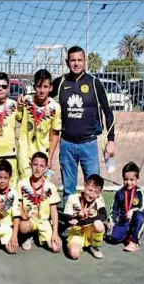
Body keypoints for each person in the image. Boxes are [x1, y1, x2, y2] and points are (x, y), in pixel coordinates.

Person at [47, 46, 115, 205]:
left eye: (79, 60)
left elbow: (108, 112)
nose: (76, 63)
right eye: (73, 60)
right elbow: (42, 96)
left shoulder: (94, 83)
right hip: (67, 145)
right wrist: (25, 98)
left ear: (85, 62)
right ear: (67, 62)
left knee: (93, 187)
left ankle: (95, 222)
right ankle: (70, 223)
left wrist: (111, 140)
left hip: (89, 144)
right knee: (68, 190)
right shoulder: (61, 82)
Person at [17, 69, 61, 181]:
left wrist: (50, 158)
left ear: (51, 88)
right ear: (33, 87)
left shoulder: (55, 107)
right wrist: (19, 105)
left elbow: (55, 134)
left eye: (45, 87)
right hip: (25, 152)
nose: (42, 90)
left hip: (43, 153)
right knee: (26, 185)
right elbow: (18, 118)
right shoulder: (26, 101)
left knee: (41, 189)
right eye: (39, 86)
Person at [18, 152, 61, 253]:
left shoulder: (50, 187)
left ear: (46, 168)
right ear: (30, 165)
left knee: (56, 248)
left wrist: (55, 233)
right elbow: (18, 204)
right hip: (29, 220)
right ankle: (29, 235)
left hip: (44, 221)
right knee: (24, 227)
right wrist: (24, 216)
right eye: (35, 165)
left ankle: (42, 233)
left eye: (41, 166)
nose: (38, 168)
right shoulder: (22, 184)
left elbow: (54, 212)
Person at [63, 174, 107, 259]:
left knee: (98, 224)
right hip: (76, 232)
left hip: (90, 232)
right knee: (74, 254)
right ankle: (79, 245)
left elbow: (103, 216)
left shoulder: (99, 199)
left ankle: (94, 246)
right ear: (84, 185)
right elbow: (66, 219)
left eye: (96, 192)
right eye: (90, 190)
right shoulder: (73, 198)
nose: (92, 194)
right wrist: (77, 215)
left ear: (100, 192)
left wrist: (82, 222)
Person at [107, 162, 144, 252]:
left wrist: (133, 210)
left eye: (132, 179)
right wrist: (111, 220)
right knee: (113, 238)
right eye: (126, 179)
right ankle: (128, 235)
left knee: (140, 216)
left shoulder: (140, 193)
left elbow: (143, 208)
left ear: (137, 179)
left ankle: (134, 241)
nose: (128, 182)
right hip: (123, 222)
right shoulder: (119, 193)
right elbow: (114, 209)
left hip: (134, 220)